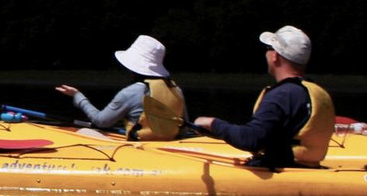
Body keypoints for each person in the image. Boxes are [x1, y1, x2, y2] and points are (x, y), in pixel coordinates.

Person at [193, 25, 335, 169]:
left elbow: (251, 139)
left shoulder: (282, 95)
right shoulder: (315, 91)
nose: (266, 54)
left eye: (269, 49)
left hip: (285, 170)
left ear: (275, 56)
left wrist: (213, 124)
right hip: (308, 168)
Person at [55, 34, 186, 140]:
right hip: (167, 147)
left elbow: (101, 121)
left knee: (84, 132)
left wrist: (78, 96)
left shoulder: (132, 92)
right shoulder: (175, 89)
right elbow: (183, 124)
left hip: (140, 149)